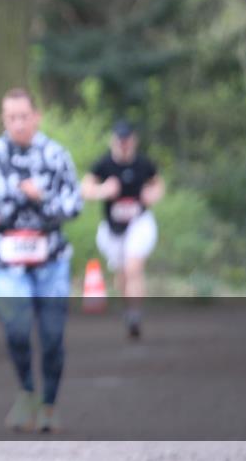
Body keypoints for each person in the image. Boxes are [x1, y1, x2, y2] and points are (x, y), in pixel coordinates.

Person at [0, 88, 82, 433]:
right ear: (4, 119)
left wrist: (42, 198)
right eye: (11, 118)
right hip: (4, 257)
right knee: (16, 327)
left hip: (51, 257)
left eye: (24, 116)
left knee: (53, 336)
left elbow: (75, 205)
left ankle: (49, 404)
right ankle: (26, 391)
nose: (19, 124)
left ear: (36, 117)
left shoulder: (55, 155)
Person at [80, 120, 164, 340]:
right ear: (113, 141)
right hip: (113, 227)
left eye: (127, 140)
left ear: (133, 141)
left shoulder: (143, 163)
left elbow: (158, 184)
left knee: (133, 265)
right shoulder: (104, 164)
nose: (123, 144)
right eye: (120, 140)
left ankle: (135, 314)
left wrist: (152, 195)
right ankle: (129, 309)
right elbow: (85, 188)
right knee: (122, 273)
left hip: (139, 223)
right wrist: (103, 190)